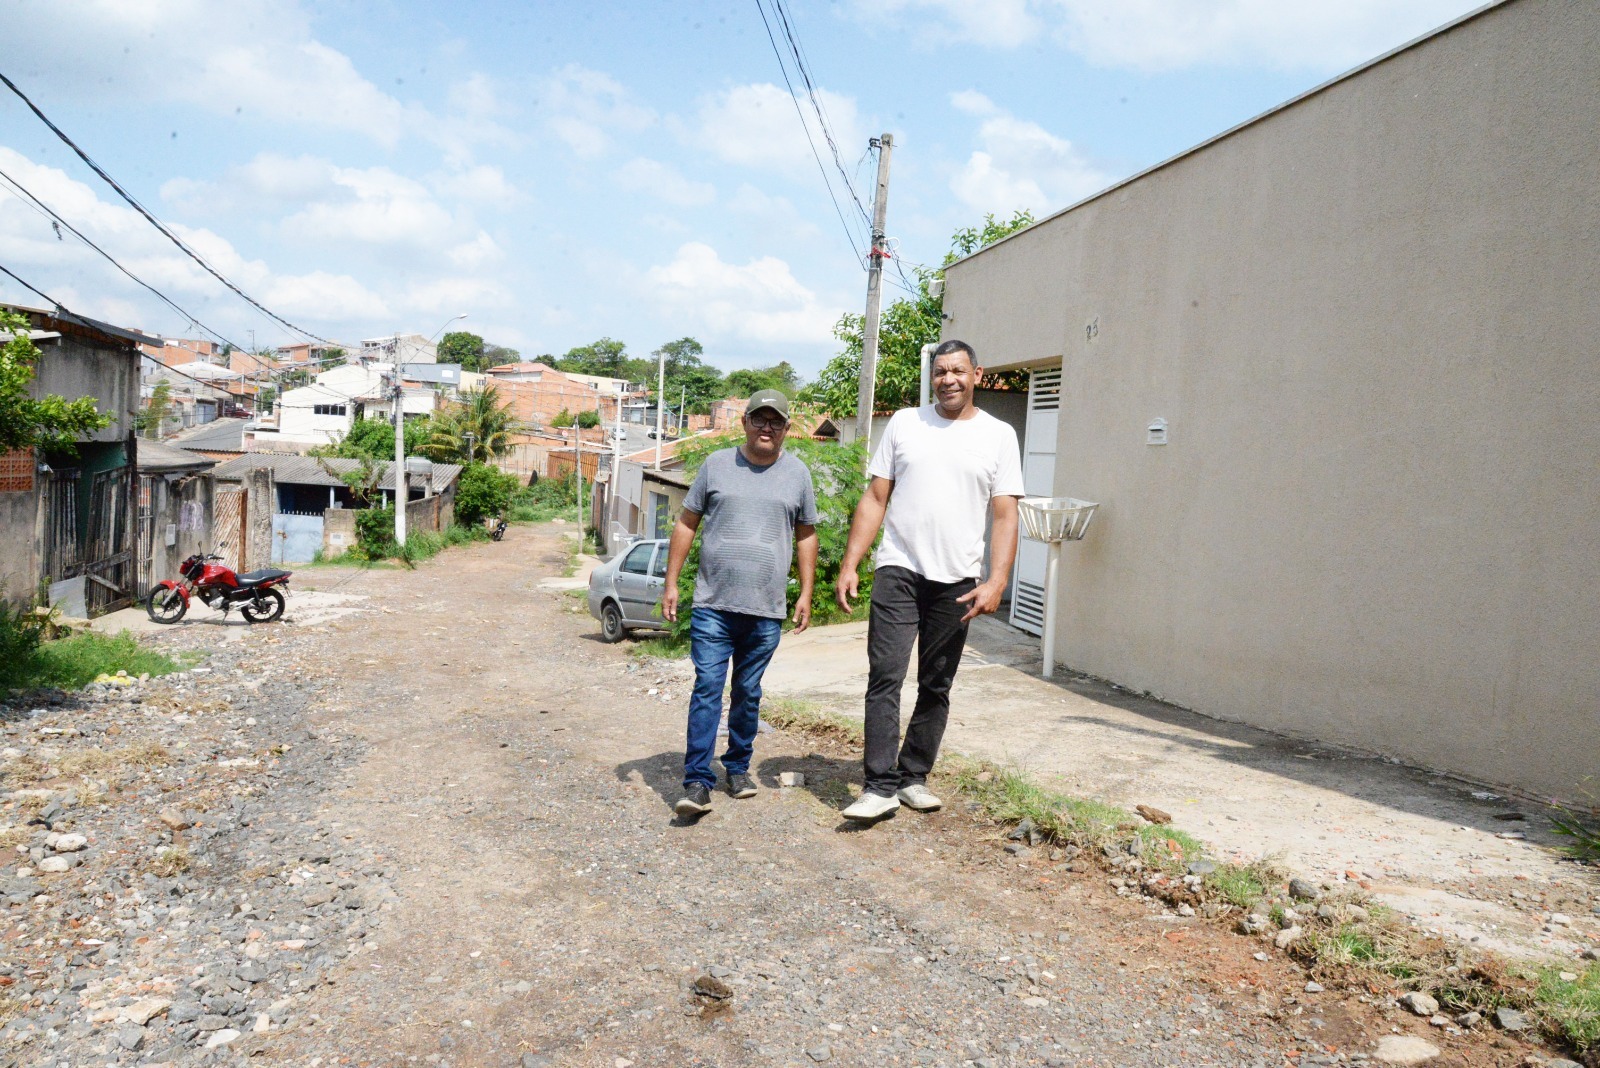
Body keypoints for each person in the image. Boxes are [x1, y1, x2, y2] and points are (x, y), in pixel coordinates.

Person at [835, 340, 1024, 822]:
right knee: (886, 676)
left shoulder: (998, 435)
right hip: (899, 568)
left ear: (976, 374)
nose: (949, 380)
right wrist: (851, 563)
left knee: (936, 683)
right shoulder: (904, 423)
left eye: (958, 371)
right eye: (941, 372)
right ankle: (878, 785)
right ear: (932, 377)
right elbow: (876, 497)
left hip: (958, 579)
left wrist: (997, 580)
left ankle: (912, 777)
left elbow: (1005, 516)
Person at [663, 389, 818, 817]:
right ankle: (696, 781)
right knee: (708, 688)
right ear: (744, 422)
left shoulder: (798, 474)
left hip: (766, 609)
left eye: (776, 422)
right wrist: (671, 582)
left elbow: (806, 534)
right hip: (714, 604)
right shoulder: (716, 466)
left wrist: (805, 592)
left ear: (787, 428)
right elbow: (686, 523)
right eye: (759, 419)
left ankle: (737, 768)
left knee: (748, 693)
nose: (766, 428)